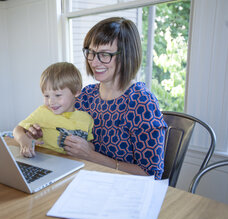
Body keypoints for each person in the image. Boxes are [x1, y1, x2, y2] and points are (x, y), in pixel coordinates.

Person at [27, 17, 167, 179]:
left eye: (105, 54)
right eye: (91, 53)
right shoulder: (86, 95)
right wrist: (42, 133)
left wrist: (91, 155)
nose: (94, 62)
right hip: (84, 179)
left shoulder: (141, 102)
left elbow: (152, 174)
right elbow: (65, 130)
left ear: (127, 56)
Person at [13, 62, 94, 158]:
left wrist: (87, 148)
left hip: (75, 165)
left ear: (76, 92)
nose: (51, 101)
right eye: (46, 96)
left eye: (58, 95)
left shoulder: (87, 119)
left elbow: (90, 145)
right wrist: (24, 140)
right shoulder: (43, 112)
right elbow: (17, 129)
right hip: (48, 160)